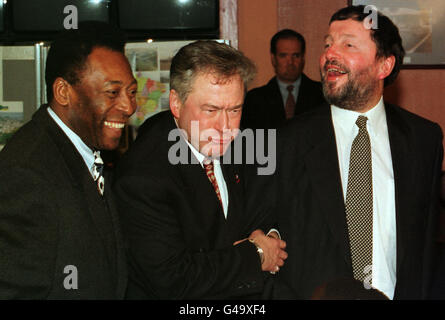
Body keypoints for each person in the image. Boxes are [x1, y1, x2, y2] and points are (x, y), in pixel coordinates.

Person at [271, 6, 443, 299]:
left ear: (383, 66)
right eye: (327, 44)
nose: (329, 55)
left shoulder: (422, 139)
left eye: (347, 44)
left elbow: (427, 246)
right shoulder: (287, 142)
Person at [113, 40, 288, 299]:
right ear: (176, 103)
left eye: (235, 109)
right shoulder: (143, 177)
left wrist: (269, 237)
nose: (225, 126)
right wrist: (256, 255)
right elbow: (174, 279)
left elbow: (266, 209)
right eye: (211, 110)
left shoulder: (239, 143)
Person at [0, 21, 137, 298]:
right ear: (64, 92)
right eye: (112, 92)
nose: (128, 106)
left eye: (131, 92)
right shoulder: (27, 171)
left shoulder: (83, 148)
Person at [241, 29, 325, 129]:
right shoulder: (254, 100)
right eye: (283, 56)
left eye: (296, 55)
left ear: (303, 58)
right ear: (273, 59)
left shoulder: (322, 94)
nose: (290, 62)